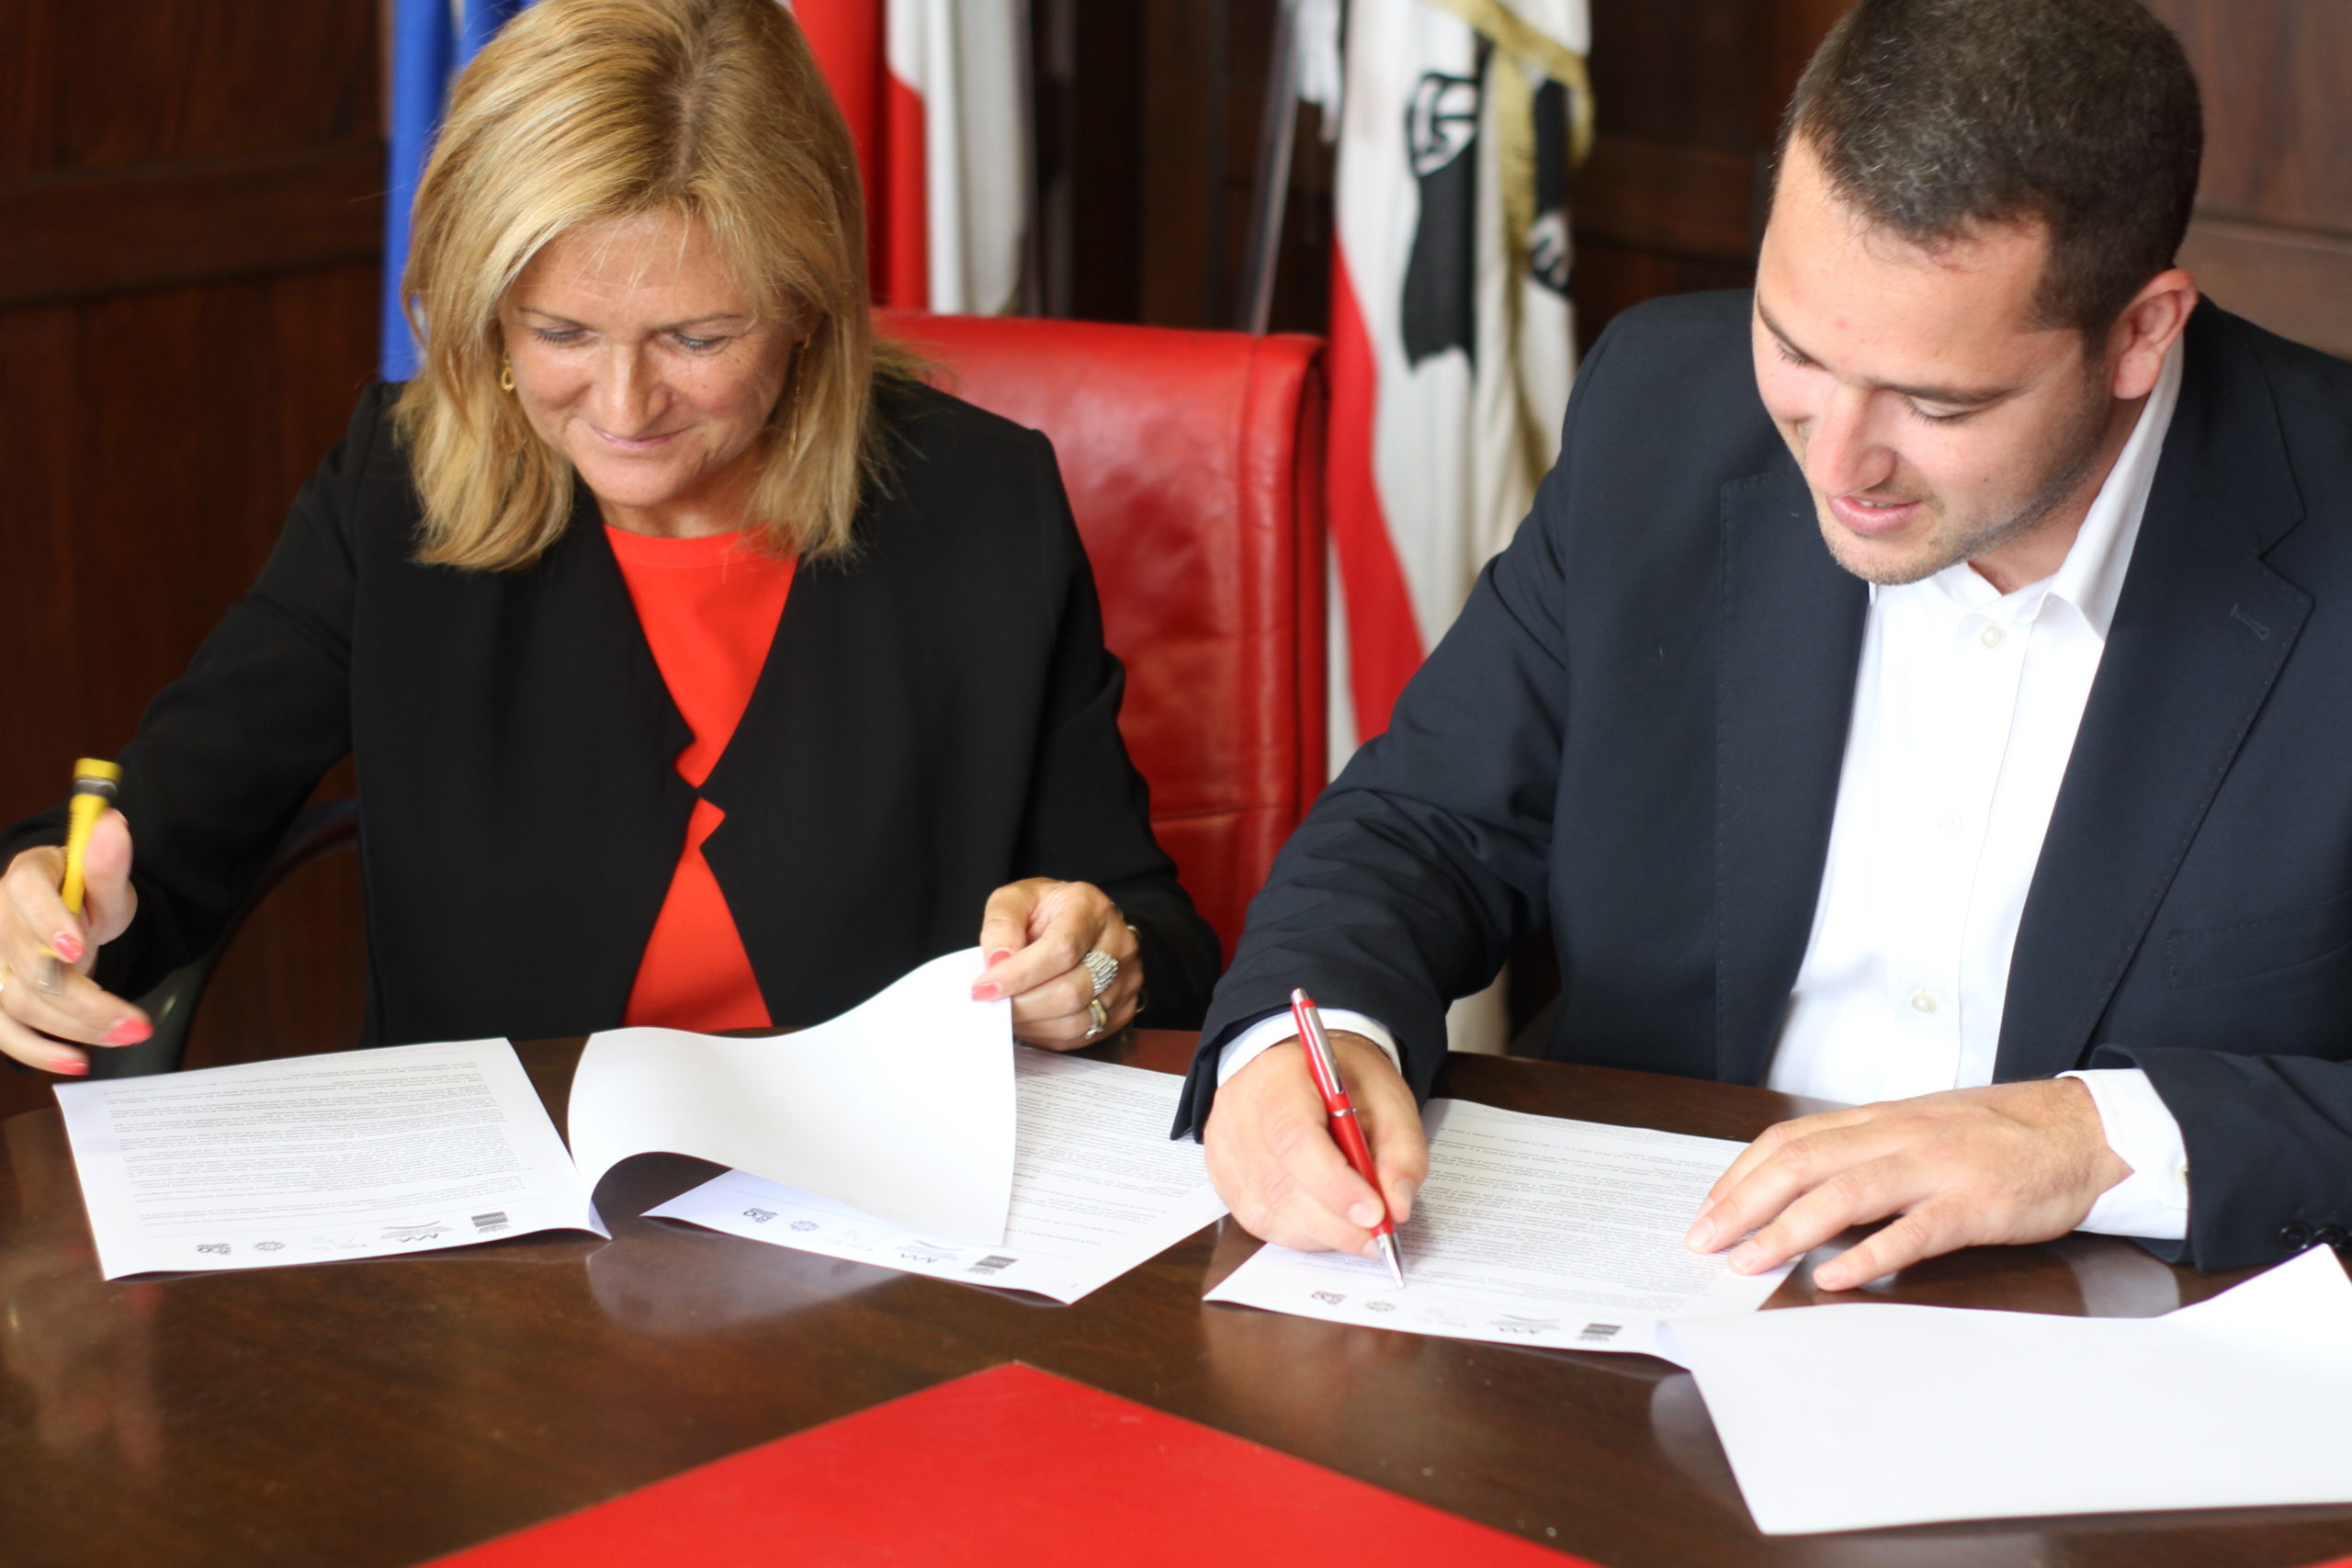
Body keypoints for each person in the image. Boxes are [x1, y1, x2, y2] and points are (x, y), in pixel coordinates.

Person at [1182, 0, 2352, 1281]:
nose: (1836, 462)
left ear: (2140, 333)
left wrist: (2098, 1138)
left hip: (2138, 1319)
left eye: (1934, 402)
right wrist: (1301, 1042)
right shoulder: (1664, 409)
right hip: (1647, 1279)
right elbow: (1429, 823)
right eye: (1793, 349)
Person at [0, 0, 1218, 1075]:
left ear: (805, 306)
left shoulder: (981, 501)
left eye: (697, 338)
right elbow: (159, 843)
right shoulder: (396, 486)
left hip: (880, 1209)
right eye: (562, 334)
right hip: (503, 1220)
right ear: (488, 312)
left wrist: (1090, 968)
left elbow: (1151, 934)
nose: (626, 408)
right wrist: (46, 911)